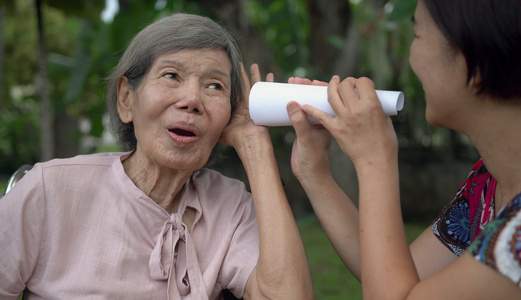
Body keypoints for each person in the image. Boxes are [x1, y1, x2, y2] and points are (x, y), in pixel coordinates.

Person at [0, 13, 314, 300]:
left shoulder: (231, 208)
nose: (192, 99)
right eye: (171, 76)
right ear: (126, 99)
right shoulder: (49, 191)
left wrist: (254, 144)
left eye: (214, 86)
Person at [285, 0, 521, 298]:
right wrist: (316, 175)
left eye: (417, 35)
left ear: (475, 60)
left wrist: (374, 158)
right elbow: (391, 272)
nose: (411, 57)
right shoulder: (489, 181)